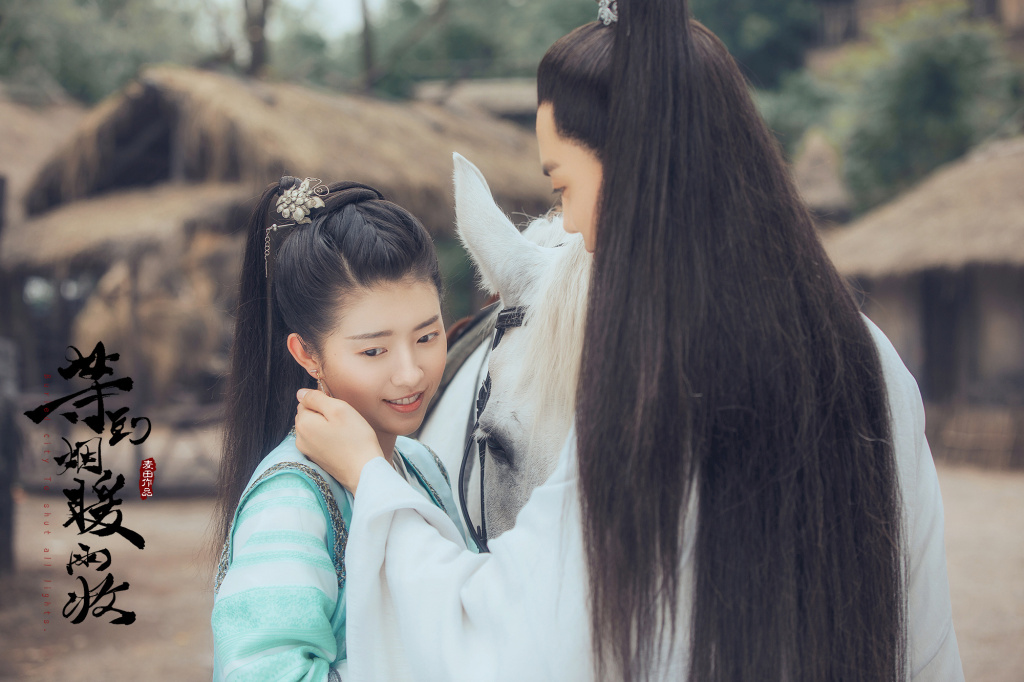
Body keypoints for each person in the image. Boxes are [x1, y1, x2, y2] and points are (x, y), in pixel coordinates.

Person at [293, 2, 965, 681]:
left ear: (640, 170)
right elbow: (926, 637)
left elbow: (517, 642)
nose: (575, 225)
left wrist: (371, 480)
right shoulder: (871, 360)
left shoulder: (650, 381)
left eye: (565, 186)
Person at [209, 177, 469, 681]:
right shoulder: (291, 499)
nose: (410, 372)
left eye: (428, 335)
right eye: (374, 351)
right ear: (307, 354)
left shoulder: (419, 463)